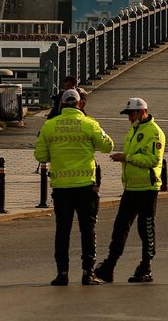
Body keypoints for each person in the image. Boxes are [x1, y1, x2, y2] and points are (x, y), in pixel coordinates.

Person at [34, 88, 113, 286]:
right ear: (79, 104)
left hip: (61, 188)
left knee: (62, 231)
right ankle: (88, 273)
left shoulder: (49, 126)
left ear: (61, 104)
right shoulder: (89, 124)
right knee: (88, 230)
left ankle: (62, 274)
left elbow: (40, 156)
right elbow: (107, 146)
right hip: (86, 186)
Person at [93, 97, 165, 284]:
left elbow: (153, 160)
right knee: (120, 228)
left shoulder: (154, 133)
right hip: (131, 187)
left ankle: (146, 266)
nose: (129, 118)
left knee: (146, 228)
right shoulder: (134, 129)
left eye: (131, 114)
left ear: (142, 112)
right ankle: (109, 265)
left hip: (148, 188)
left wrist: (128, 158)